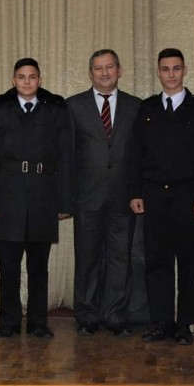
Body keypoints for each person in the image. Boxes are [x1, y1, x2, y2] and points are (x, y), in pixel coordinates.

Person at [128, 48, 194, 346]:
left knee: (188, 263)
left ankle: (184, 324)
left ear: (184, 71)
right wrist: (135, 192)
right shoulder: (148, 108)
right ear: (158, 72)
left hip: (187, 197)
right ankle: (162, 323)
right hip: (154, 196)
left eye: (176, 68)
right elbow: (135, 154)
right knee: (157, 262)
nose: (171, 74)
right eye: (165, 69)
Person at [0, 58, 72, 339]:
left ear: (40, 80)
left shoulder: (55, 110)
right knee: (8, 266)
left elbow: (66, 157)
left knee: (38, 267)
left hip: (44, 195)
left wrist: (64, 201)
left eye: (32, 77)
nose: (27, 82)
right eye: (21, 77)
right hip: (8, 196)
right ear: (13, 80)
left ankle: (37, 322)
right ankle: (8, 321)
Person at [67, 49, 141, 337]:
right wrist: (67, 198)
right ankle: (87, 314)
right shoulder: (73, 106)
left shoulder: (136, 106)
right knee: (87, 258)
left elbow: (140, 155)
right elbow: (67, 155)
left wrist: (138, 192)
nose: (105, 73)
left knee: (120, 258)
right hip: (86, 198)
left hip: (123, 197)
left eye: (110, 67)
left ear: (119, 70)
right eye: (98, 68)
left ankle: (115, 315)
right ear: (90, 73)